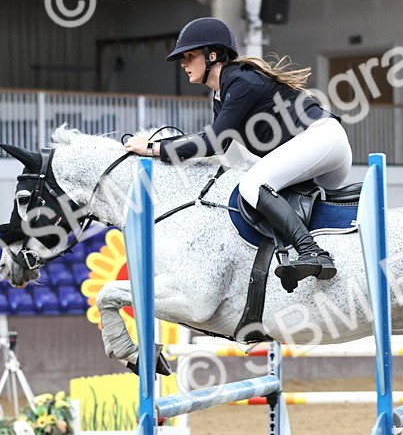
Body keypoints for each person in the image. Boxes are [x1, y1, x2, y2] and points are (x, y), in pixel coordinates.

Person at [123, 17, 352, 290]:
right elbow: (220, 148)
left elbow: (213, 143)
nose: (183, 63)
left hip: (320, 139)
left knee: (253, 184)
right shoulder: (223, 95)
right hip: (325, 151)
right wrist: (159, 146)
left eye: (189, 56)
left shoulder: (241, 81)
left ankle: (312, 252)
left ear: (212, 55)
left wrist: (152, 148)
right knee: (264, 190)